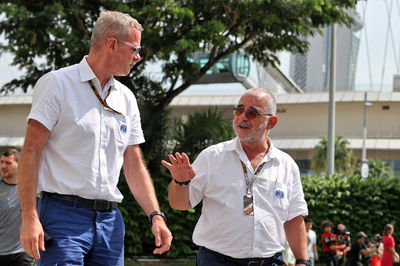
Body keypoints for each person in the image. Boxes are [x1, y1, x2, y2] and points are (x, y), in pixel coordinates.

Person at [17, 11, 172, 265]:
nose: (138, 57)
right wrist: (29, 216)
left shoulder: (126, 98)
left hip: (110, 222)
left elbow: (134, 164)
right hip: (62, 216)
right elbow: (30, 152)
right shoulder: (57, 83)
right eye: (134, 49)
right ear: (112, 44)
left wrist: (156, 215)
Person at [162, 88, 309, 266]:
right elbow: (180, 204)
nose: (242, 117)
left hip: (270, 261)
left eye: (252, 113)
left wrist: (303, 261)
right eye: (239, 110)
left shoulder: (286, 165)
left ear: (271, 122)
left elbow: (294, 217)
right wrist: (180, 182)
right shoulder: (212, 157)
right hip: (216, 261)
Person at [0, 149, 35, 266]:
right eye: (1, 162)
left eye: (8, 163)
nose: (3, 166)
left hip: (23, 252)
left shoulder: (32, 188)